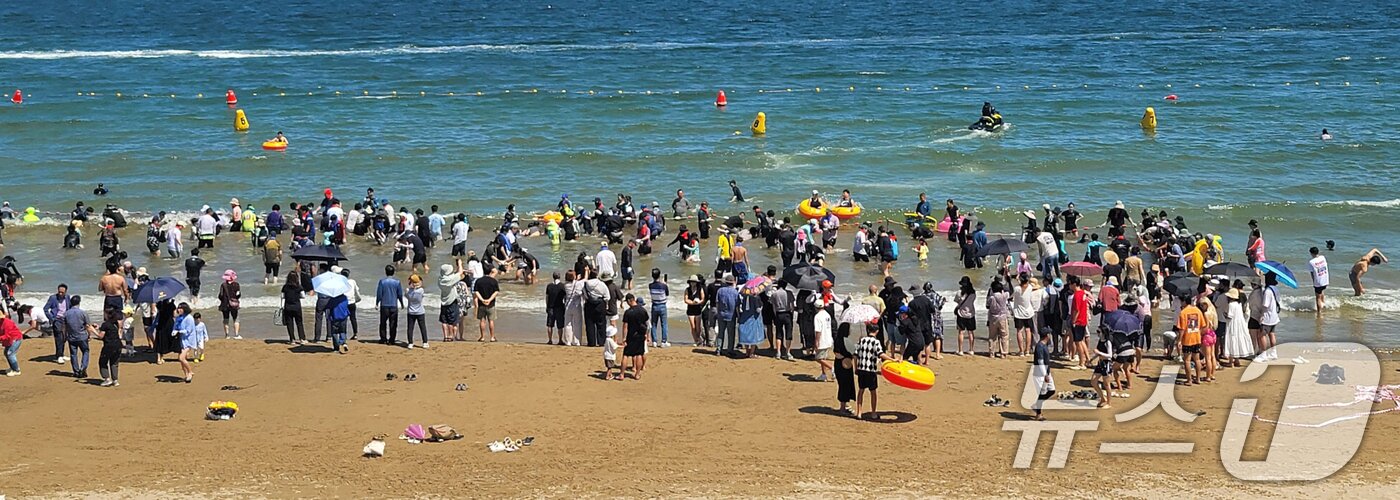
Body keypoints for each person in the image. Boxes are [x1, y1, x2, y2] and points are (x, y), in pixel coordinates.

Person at [854, 322, 893, 421]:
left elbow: (855, 355)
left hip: (861, 368)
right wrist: (892, 360)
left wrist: (856, 368)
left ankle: (859, 412)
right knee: (873, 392)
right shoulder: (875, 342)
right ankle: (873, 413)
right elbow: (881, 354)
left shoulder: (861, 340)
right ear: (877, 331)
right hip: (871, 369)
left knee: (861, 391)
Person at [1221, 285, 1255, 367]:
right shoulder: (1239, 304)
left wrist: (1224, 314)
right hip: (1239, 324)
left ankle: (1230, 361)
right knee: (1237, 340)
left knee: (1231, 340)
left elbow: (1230, 316)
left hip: (1232, 324)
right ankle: (1237, 360)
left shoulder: (1231, 304)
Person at [1176, 298, 1207, 386]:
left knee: (1187, 360)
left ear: (1184, 302)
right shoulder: (1197, 310)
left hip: (1187, 339)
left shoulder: (1183, 312)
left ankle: (1189, 380)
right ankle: (1198, 378)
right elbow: (1202, 325)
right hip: (1196, 338)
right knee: (1197, 359)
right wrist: (1199, 334)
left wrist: (1179, 340)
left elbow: (1181, 329)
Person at [64, 295, 95, 378]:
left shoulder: (66, 313)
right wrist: (90, 335)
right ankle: (83, 367)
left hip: (71, 336)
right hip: (82, 336)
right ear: (79, 302)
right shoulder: (82, 313)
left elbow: (65, 326)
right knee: (85, 351)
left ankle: (76, 371)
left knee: (73, 354)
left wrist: (65, 335)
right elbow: (87, 325)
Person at [621, 294, 648, 380]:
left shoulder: (628, 312)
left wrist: (624, 338)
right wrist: (646, 334)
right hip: (640, 335)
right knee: (639, 354)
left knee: (626, 355)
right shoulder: (643, 310)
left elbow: (625, 326)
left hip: (631, 335)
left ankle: (622, 374)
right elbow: (646, 323)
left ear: (629, 301)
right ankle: (637, 374)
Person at [438, 261, 466, 344]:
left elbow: (455, 274)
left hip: (443, 301)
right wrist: (460, 264)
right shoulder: (450, 279)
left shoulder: (441, 279)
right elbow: (460, 273)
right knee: (451, 321)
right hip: (452, 301)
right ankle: (450, 336)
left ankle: (445, 336)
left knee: (444, 320)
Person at [375, 265, 403, 345]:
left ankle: (383, 339)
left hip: (384, 305)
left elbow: (379, 294)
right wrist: (401, 303)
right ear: (393, 272)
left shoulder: (382, 281)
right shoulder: (397, 282)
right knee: (393, 323)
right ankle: (392, 340)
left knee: (383, 323)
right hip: (394, 305)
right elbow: (399, 294)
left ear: (386, 272)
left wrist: (377, 303)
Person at [1031, 328, 1055, 420]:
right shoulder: (1040, 346)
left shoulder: (1044, 345)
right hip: (1040, 374)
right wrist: (1045, 374)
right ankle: (1038, 414)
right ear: (1047, 335)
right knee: (1042, 393)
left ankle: (1036, 405)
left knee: (1051, 390)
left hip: (1046, 372)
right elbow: (1040, 361)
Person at [714, 275, 739, 356]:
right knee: (731, 334)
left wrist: (718, 312)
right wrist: (738, 316)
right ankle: (730, 350)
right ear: (733, 282)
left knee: (721, 332)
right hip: (731, 315)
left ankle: (718, 349)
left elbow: (717, 303)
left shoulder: (720, 290)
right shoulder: (735, 292)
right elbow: (737, 306)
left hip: (721, 314)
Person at [44, 284, 70, 364]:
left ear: (65, 292)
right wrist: (52, 319)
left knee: (65, 337)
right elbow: (45, 309)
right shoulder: (53, 298)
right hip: (57, 320)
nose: (60, 294)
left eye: (62, 292)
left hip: (65, 320)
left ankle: (61, 354)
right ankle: (59, 356)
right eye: (59, 292)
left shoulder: (68, 297)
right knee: (59, 338)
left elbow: (70, 307)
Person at [474, 266, 500, 342]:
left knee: (482, 320)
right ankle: (492, 337)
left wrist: (482, 300)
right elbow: (496, 292)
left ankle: (482, 337)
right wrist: (489, 300)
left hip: (481, 304)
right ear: (490, 272)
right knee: (491, 320)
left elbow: (476, 292)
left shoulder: (478, 281)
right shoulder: (493, 281)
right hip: (491, 304)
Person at [646, 269, 670, 347]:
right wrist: (665, 284)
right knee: (664, 324)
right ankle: (664, 341)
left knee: (654, 324)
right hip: (662, 305)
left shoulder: (650, 285)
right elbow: (667, 294)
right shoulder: (663, 286)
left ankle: (654, 341)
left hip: (654, 305)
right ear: (659, 275)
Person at [281, 270, 306, 344]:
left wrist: (282, 306)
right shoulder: (299, 286)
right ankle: (302, 339)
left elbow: (282, 297)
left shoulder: (285, 287)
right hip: (297, 306)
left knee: (289, 323)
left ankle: (292, 339)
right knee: (299, 323)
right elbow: (303, 296)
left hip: (288, 306)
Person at [173, 302, 196, 383]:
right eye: (178, 308)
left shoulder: (189, 318)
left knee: (181, 358)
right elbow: (176, 326)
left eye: (181, 308)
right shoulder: (179, 318)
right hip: (181, 341)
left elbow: (188, 331)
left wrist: (179, 331)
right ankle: (186, 375)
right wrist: (174, 330)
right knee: (182, 360)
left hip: (188, 341)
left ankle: (190, 371)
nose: (179, 310)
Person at [954, 277, 976, 355]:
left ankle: (960, 350)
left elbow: (956, 301)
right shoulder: (973, 293)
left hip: (961, 313)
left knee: (961, 332)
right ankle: (971, 349)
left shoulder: (959, 292)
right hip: (971, 313)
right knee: (971, 332)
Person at [217, 270, 241, 339]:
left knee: (226, 319)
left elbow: (220, 295)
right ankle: (236, 335)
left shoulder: (223, 285)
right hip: (234, 305)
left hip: (225, 305)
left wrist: (224, 300)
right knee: (236, 319)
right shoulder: (236, 285)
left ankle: (227, 335)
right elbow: (238, 295)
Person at [404, 274, 427, 349]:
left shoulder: (408, 291)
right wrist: (417, 284)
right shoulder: (421, 291)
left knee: (410, 328)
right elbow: (421, 289)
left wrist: (411, 286)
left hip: (411, 312)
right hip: (420, 312)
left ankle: (410, 343)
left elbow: (407, 295)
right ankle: (425, 342)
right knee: (422, 327)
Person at [813, 299, 833, 381]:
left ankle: (832, 368)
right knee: (823, 358)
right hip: (828, 338)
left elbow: (818, 331)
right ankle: (823, 374)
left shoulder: (817, 317)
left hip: (822, 339)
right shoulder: (827, 314)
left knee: (818, 358)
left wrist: (816, 342)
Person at [684, 275, 707, 347]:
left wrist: (698, 302)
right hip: (690, 309)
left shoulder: (700, 289)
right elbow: (685, 299)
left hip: (698, 309)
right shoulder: (687, 290)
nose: (693, 283)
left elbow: (703, 299)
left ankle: (699, 339)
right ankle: (696, 341)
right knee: (693, 326)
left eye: (694, 282)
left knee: (698, 327)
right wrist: (692, 303)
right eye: (691, 282)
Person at [545, 272, 566, 345]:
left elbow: (547, 297)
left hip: (551, 307)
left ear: (553, 277)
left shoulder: (549, 286)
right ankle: (560, 340)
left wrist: (547, 306)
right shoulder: (562, 286)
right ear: (559, 277)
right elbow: (565, 298)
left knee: (550, 325)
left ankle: (550, 340)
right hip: (559, 307)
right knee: (560, 325)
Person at [1, 309, 23, 376]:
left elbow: (8, 335)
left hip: (15, 338)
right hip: (9, 340)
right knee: (6, 353)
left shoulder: (7, 323)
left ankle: (16, 370)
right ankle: (12, 367)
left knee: (10, 353)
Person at [1308, 246, 1329, 313]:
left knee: (1318, 298)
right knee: (1322, 292)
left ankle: (1319, 312)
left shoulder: (1311, 262)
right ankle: (1323, 305)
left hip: (1318, 281)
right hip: (1325, 279)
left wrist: (1314, 282)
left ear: (1311, 253)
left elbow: (1312, 274)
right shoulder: (1323, 257)